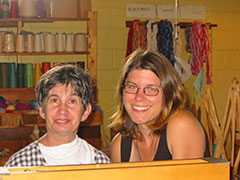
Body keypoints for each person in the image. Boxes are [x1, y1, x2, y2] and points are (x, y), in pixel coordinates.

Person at [110, 49, 209, 162]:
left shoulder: (181, 125)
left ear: (168, 94)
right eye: (132, 87)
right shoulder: (118, 146)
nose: (139, 97)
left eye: (151, 89)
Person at [5, 65, 111, 167]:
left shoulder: (100, 164)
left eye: (72, 101)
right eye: (54, 100)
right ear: (41, 109)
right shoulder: (18, 165)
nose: (63, 110)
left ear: (86, 111)